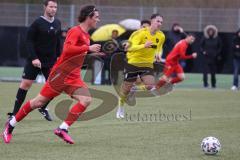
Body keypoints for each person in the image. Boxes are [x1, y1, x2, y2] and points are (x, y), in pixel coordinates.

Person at [2, 5, 104, 144]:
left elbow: (76, 53)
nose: (99, 19)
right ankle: (10, 125)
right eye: (96, 17)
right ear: (88, 17)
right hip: (60, 75)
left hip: (73, 77)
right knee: (38, 102)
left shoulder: (86, 35)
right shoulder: (75, 31)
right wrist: (88, 48)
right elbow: (67, 49)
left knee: (86, 100)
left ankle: (63, 129)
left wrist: (91, 53)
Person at [7, 0, 62, 121]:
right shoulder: (37, 23)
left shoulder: (58, 23)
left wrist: (59, 56)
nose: (53, 9)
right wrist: (34, 58)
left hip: (50, 61)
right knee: (25, 85)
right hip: (35, 61)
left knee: (55, 87)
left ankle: (43, 107)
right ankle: (14, 114)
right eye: (51, 6)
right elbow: (29, 41)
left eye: (55, 7)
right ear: (45, 7)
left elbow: (58, 41)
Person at [116, 13, 165, 119]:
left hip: (147, 64)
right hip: (133, 63)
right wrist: (144, 45)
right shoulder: (140, 33)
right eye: (158, 21)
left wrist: (158, 54)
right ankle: (120, 107)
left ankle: (135, 89)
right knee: (125, 90)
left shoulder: (161, 36)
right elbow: (128, 48)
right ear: (151, 21)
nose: (160, 24)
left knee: (150, 85)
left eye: (161, 22)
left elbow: (159, 47)